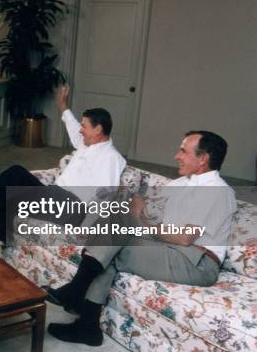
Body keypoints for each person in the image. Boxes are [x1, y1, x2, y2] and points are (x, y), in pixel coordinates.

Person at [44, 130, 237, 346]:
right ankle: (85, 319)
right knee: (110, 239)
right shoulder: (184, 182)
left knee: (110, 244)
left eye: (183, 151)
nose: (177, 156)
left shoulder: (219, 191)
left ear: (203, 158)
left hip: (196, 262)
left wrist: (142, 223)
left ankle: (78, 299)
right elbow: (142, 197)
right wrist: (137, 199)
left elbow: (184, 238)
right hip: (168, 249)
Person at [0, 84, 126, 249]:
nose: (80, 129)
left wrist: (87, 225)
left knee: (15, 174)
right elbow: (72, 127)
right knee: (8, 194)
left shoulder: (111, 158)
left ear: (98, 129)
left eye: (84, 126)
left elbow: (106, 194)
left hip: (71, 207)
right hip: (55, 196)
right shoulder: (87, 144)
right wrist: (63, 105)